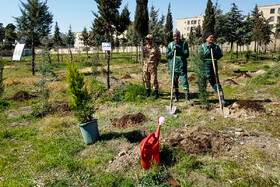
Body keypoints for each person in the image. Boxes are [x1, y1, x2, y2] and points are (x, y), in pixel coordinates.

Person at [198, 32, 227, 106]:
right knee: (202, 85)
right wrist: (208, 50)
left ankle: (222, 99)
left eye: (213, 37)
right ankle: (203, 99)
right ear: (206, 38)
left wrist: (213, 50)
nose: (212, 39)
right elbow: (201, 55)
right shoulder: (202, 46)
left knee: (216, 84)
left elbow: (220, 55)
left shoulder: (216, 47)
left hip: (213, 69)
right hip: (203, 69)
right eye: (210, 37)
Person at [166, 30, 192, 105]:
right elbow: (167, 56)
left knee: (184, 82)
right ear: (173, 37)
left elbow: (187, 54)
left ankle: (187, 98)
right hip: (173, 66)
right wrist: (172, 51)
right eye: (174, 36)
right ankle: (176, 97)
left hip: (182, 67)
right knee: (174, 82)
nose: (176, 37)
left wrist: (179, 51)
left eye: (177, 36)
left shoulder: (184, 44)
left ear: (179, 36)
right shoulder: (170, 45)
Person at [143, 34, 161, 99]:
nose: (148, 40)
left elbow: (159, 57)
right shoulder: (145, 48)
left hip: (153, 67)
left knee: (154, 80)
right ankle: (148, 92)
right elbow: (144, 57)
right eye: (147, 39)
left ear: (152, 39)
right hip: (146, 66)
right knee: (146, 79)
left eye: (149, 39)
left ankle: (156, 93)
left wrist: (156, 64)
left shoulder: (156, 47)